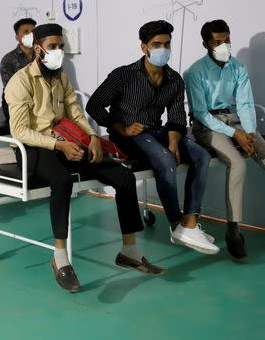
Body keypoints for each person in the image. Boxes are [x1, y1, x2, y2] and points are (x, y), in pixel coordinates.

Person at [5, 23, 165, 293]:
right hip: (33, 147)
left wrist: (91, 136)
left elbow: (76, 114)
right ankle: (59, 258)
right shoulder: (19, 81)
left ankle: (130, 250)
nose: (59, 52)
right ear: (38, 49)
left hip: (66, 140)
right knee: (62, 181)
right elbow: (19, 130)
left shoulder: (61, 78)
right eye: (53, 46)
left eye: (61, 46)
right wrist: (58, 145)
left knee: (123, 177)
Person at [87, 20, 219, 255]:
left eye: (167, 44)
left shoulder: (174, 79)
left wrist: (174, 142)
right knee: (166, 161)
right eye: (156, 44)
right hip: (128, 137)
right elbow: (94, 105)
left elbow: (177, 117)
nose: (163, 49)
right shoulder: (123, 75)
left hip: (157, 132)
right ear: (144, 48)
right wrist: (121, 128)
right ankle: (176, 224)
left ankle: (190, 222)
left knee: (201, 155)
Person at [184, 19, 265, 258]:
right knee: (238, 164)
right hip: (207, 125)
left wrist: (249, 133)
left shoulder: (238, 68)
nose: (224, 46)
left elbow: (245, 103)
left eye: (227, 40)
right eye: (217, 42)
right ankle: (233, 231)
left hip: (236, 121)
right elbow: (200, 113)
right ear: (205, 44)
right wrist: (236, 135)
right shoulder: (194, 72)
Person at [0, 18, 37, 121]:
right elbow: (11, 89)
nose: (30, 35)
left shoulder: (42, 56)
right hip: (16, 104)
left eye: (33, 32)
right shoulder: (8, 59)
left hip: (40, 101)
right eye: (25, 32)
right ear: (17, 37)